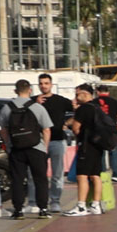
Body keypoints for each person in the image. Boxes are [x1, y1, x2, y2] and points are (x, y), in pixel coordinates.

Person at [3, 79, 53, 219]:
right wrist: (45, 147)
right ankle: (43, 209)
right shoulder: (37, 107)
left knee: (17, 179)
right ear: (30, 90)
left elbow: (4, 129)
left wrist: (9, 145)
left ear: (15, 91)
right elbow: (47, 130)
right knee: (40, 179)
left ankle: (18, 210)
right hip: (36, 147)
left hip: (16, 149)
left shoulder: (7, 108)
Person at [64, 84, 112, 216]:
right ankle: (96, 205)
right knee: (95, 175)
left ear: (85, 94)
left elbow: (75, 128)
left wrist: (75, 131)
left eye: (77, 94)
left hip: (86, 146)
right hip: (98, 146)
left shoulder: (83, 109)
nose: (75, 98)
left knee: (82, 176)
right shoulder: (97, 108)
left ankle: (81, 206)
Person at [36, 73, 73, 212]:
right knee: (38, 174)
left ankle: (55, 201)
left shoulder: (60, 101)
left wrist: (68, 124)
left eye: (46, 83)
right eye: (41, 83)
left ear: (51, 84)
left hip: (57, 140)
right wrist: (35, 103)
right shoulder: (34, 101)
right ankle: (37, 202)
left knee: (57, 173)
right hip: (38, 142)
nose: (43, 86)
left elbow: (77, 109)